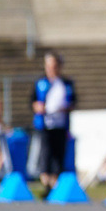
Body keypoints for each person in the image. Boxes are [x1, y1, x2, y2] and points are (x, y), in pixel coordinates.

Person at [31, 51, 77, 197]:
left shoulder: (66, 83)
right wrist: (37, 106)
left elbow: (73, 100)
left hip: (61, 123)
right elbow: (32, 101)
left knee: (59, 155)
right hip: (45, 124)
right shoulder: (41, 82)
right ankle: (47, 184)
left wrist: (66, 107)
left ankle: (55, 184)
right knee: (46, 154)